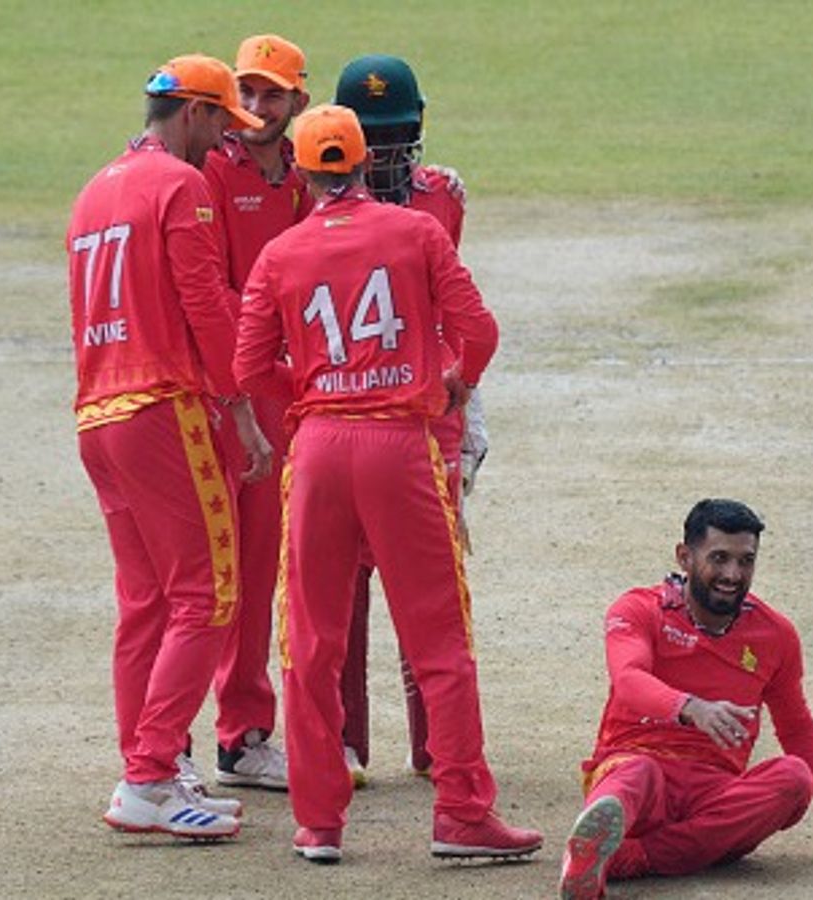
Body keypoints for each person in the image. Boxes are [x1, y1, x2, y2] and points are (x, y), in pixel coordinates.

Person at [233, 104, 541, 864]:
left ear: (303, 174)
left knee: (311, 640)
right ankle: (462, 811)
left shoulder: (281, 253)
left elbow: (246, 371)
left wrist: (310, 384)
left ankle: (319, 823)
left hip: (319, 447)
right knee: (439, 636)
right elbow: (480, 332)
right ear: (367, 164)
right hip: (400, 444)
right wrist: (453, 386)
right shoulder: (418, 233)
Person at [67, 53, 274, 840]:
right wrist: (244, 412)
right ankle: (151, 773)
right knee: (206, 596)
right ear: (192, 112)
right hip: (161, 408)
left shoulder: (95, 190)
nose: (226, 141)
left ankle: (148, 768)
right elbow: (205, 311)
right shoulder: (182, 188)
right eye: (222, 120)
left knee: (146, 603)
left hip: (97, 412)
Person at [558, 499, 813, 899]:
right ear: (684, 557)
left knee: (794, 778)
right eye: (719, 558)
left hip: (714, 798)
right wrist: (690, 708)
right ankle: (611, 845)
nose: (732, 574)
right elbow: (628, 678)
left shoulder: (776, 634)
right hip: (636, 771)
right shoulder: (638, 609)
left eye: (746, 561)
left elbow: (796, 726)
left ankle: (618, 858)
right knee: (637, 774)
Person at [331, 53, 486, 787]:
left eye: (396, 136)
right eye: (370, 138)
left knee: (432, 588)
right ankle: (342, 741)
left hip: (427, 417)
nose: (385, 154)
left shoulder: (442, 199)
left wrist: (466, 395)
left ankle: (435, 747)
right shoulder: (316, 201)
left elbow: (461, 316)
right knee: (341, 590)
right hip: (350, 412)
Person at [184, 32, 314, 794]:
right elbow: (212, 296)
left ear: (299, 100)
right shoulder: (206, 169)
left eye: (271, 94)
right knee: (207, 574)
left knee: (261, 570)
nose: (256, 108)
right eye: (247, 92)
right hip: (218, 390)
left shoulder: (306, 179)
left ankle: (243, 735)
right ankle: (173, 744)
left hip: (276, 389)